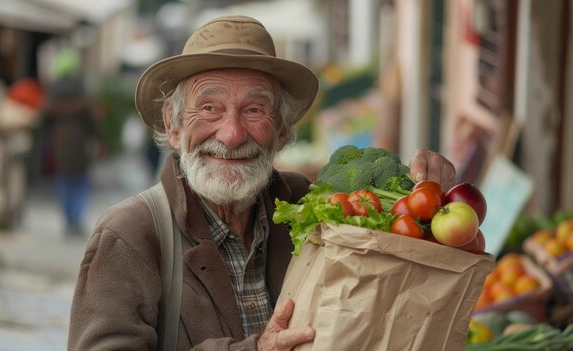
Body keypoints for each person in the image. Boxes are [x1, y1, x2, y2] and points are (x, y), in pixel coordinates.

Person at [68, 15, 458, 350]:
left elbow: (393, 269)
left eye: (254, 110)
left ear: (284, 132)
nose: (232, 134)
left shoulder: (314, 209)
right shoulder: (129, 236)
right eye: (209, 108)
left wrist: (424, 193)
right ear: (173, 127)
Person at [40, 53, 100, 238]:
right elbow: (93, 122)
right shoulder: (82, 93)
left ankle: (67, 221)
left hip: (59, 147)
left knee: (64, 183)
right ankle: (76, 219)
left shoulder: (52, 95)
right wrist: (99, 140)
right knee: (80, 183)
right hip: (80, 146)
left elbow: (43, 121)